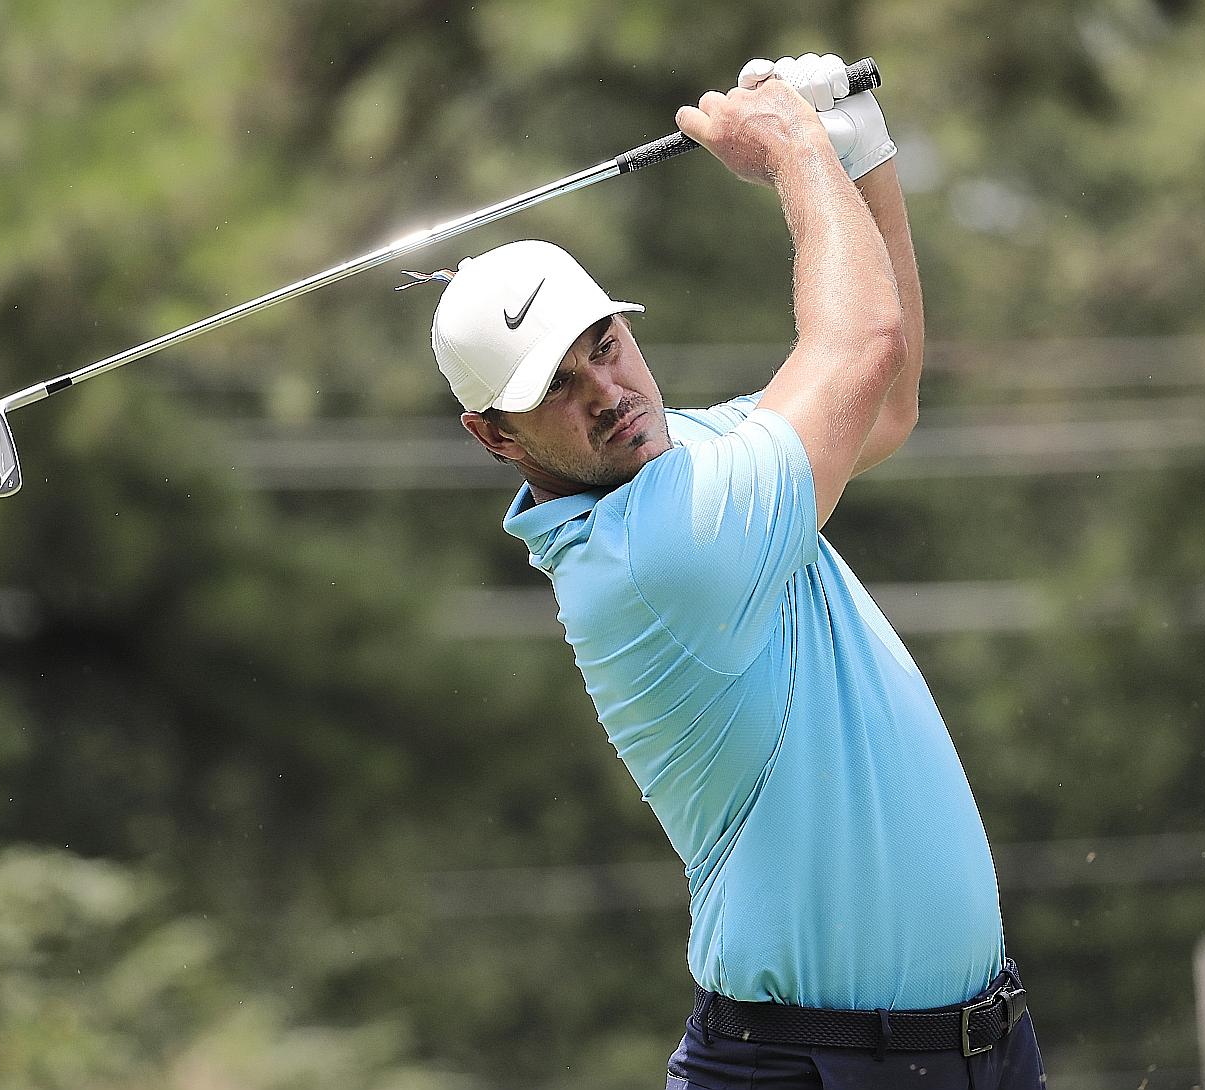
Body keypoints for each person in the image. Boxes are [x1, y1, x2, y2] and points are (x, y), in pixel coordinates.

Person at [424, 54, 1047, 1088]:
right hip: (813, 1066)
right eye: (558, 384)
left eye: (605, 342)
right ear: (495, 437)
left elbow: (882, 403)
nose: (608, 389)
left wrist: (862, 151)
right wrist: (799, 152)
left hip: (974, 1047)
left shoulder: (695, 454)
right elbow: (861, 341)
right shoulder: (656, 553)